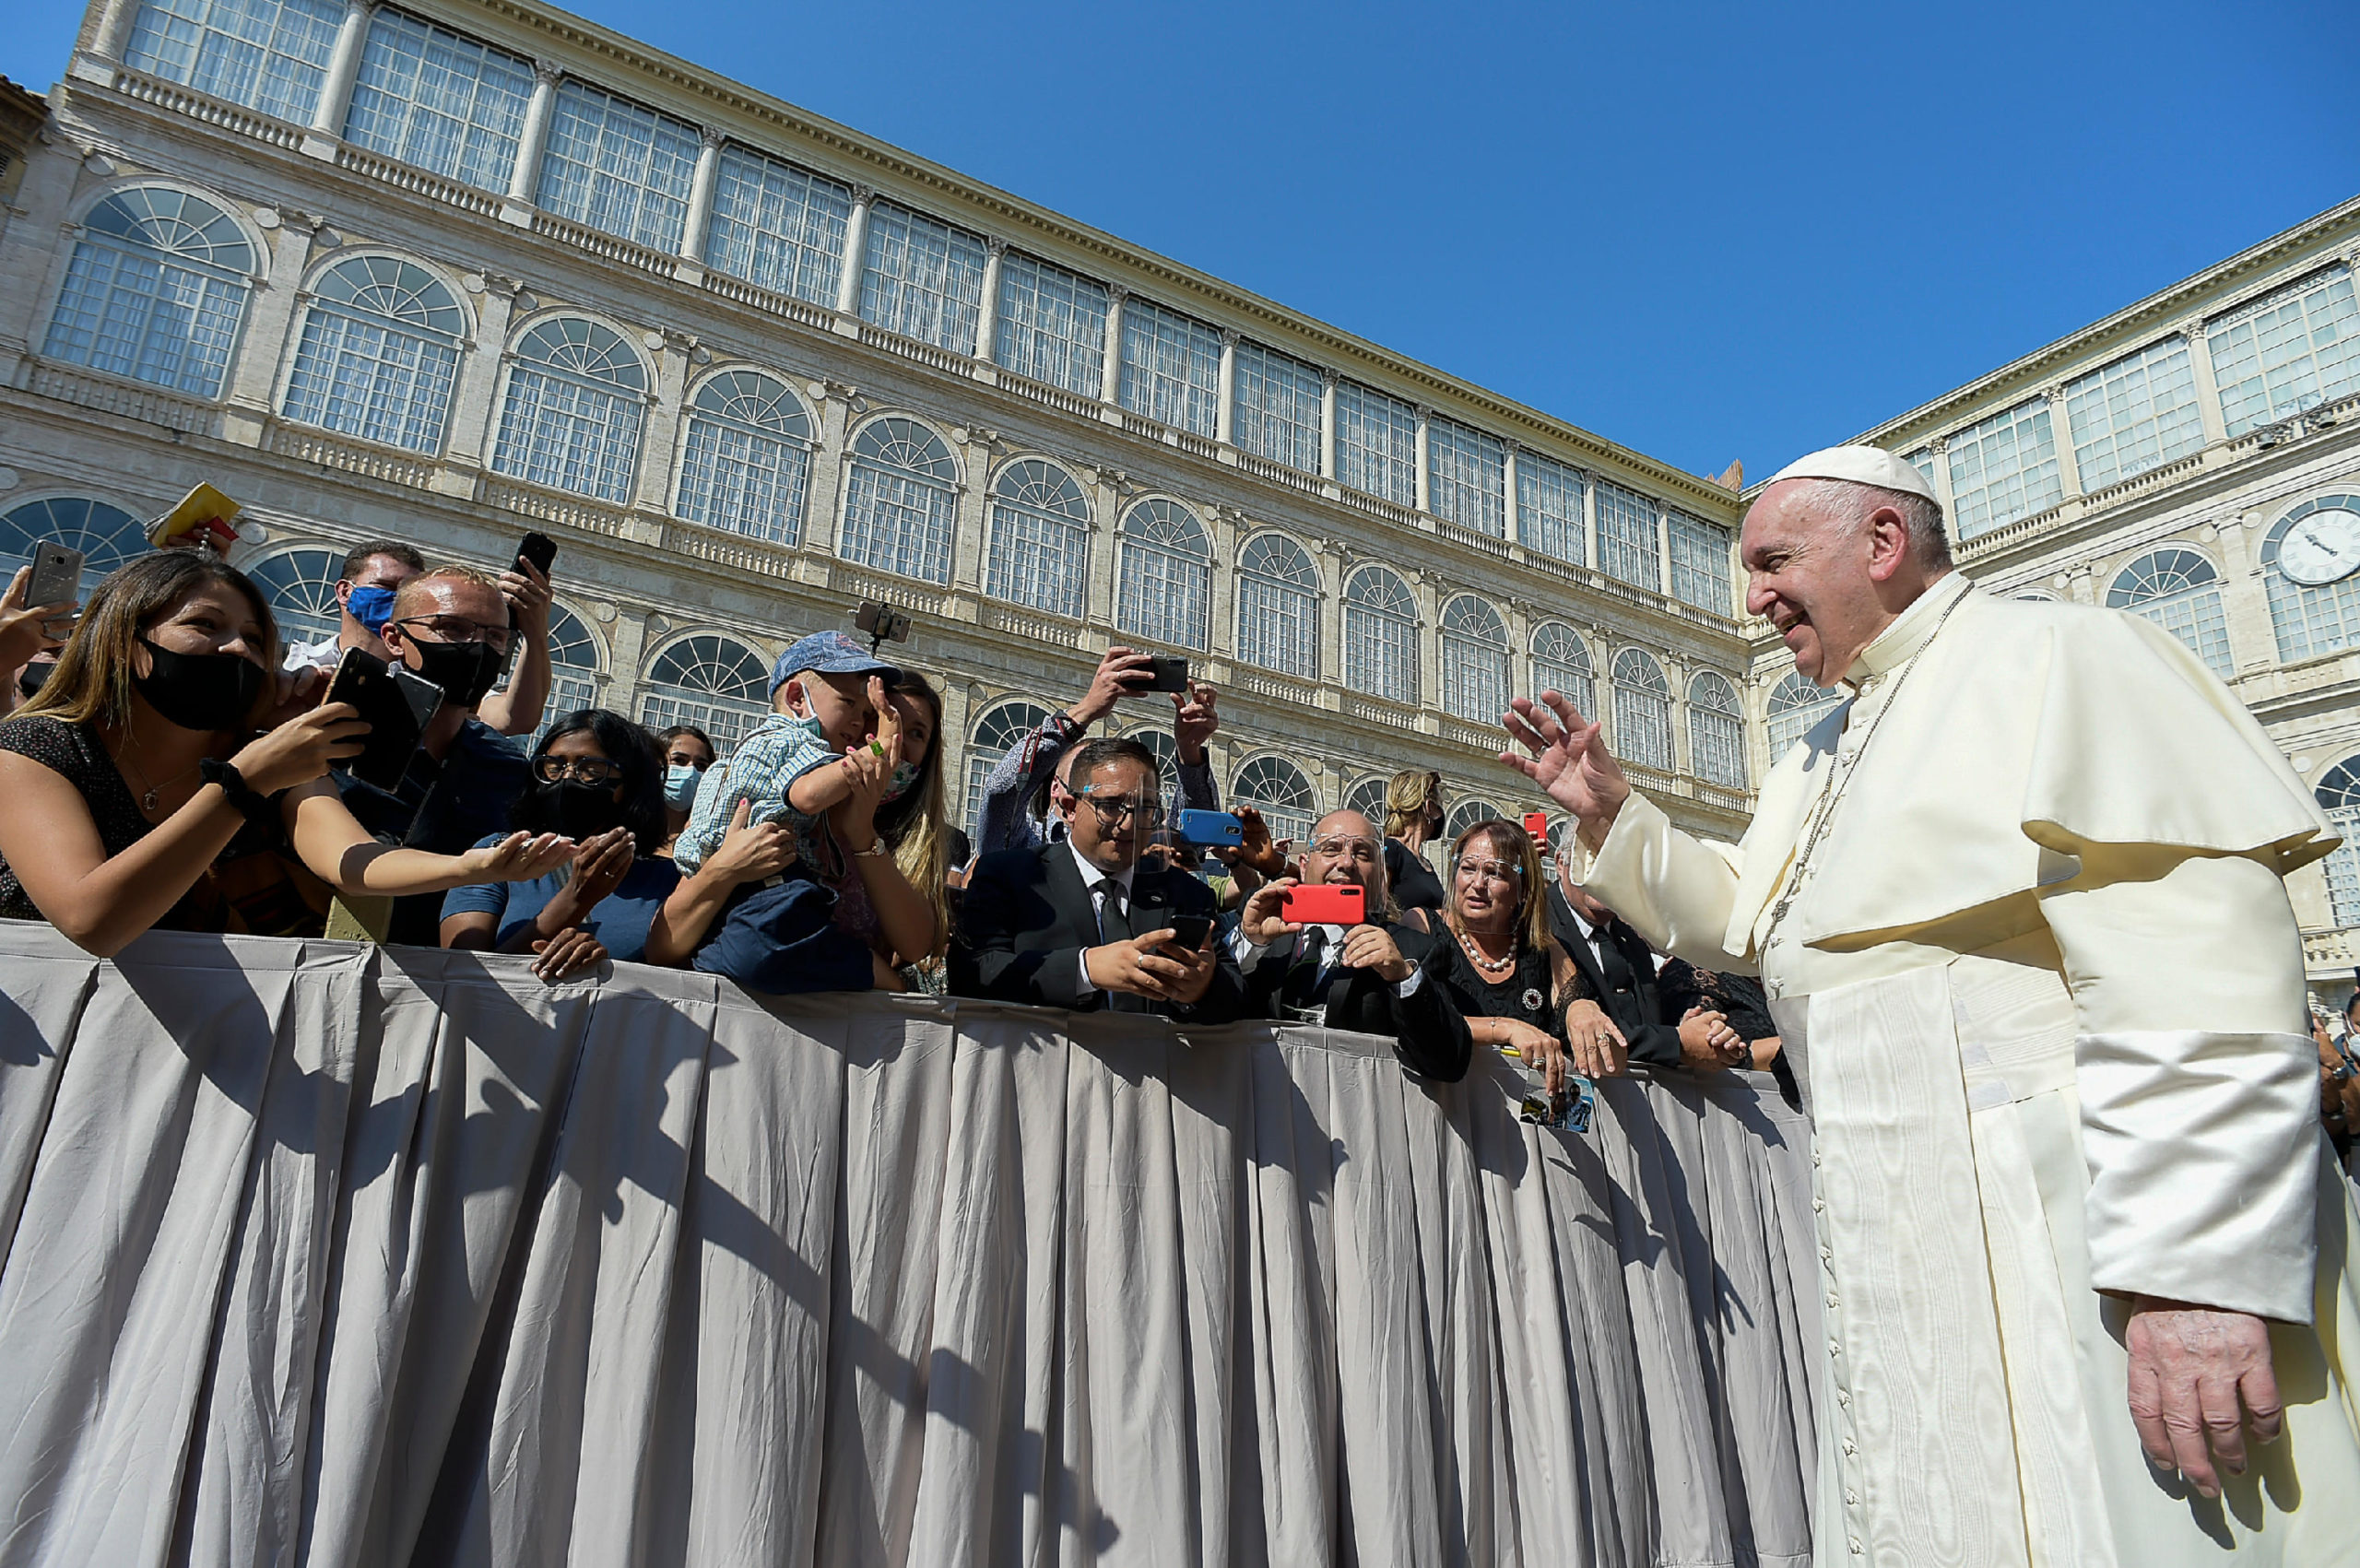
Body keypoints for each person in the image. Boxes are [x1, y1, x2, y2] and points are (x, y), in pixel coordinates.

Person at [1504, 442, 2360, 1561]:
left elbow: (2191, 979)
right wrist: (1612, 813)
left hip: (2075, 1217)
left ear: (1882, 541)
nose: (1754, 599)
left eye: (1772, 562)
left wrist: (2193, 1273)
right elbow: (1746, 922)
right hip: (1897, 1223)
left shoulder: (2063, 657)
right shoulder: (1820, 746)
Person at [0, 552, 570, 956]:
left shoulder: (263, 753)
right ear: (125, 638)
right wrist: (241, 785)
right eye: (205, 625)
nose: (235, 648)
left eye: (253, 637)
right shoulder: (38, 747)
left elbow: (352, 861)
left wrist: (472, 868)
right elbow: (93, 923)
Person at [673, 632, 940, 984]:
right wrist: (723, 870)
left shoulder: (910, 841)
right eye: (877, 715)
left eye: (916, 733)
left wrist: (862, 834)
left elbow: (915, 945)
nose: (897, 739)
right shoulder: (762, 777)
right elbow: (665, 943)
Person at [952, 735, 1244, 1020]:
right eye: (1111, 806)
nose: (1128, 824)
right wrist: (1084, 969)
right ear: (1070, 808)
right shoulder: (1010, 877)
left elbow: (1238, 995)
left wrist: (1203, 988)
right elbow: (972, 973)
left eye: (1145, 809)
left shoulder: (1187, 894)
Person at [338, 565, 537, 946]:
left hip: (450, 968)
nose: (477, 647)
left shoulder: (506, 767)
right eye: (453, 628)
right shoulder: (341, 736)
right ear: (395, 638)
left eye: (495, 636)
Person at [440, 710, 682, 983]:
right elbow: (461, 976)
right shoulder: (499, 854)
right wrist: (575, 900)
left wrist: (608, 974)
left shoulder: (668, 881)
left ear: (630, 785)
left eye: (591, 770)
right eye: (554, 767)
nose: (567, 778)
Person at [1232, 808, 1472, 1081]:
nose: (1346, 862)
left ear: (1380, 876)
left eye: (1362, 854)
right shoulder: (1259, 917)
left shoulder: (1411, 950)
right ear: (1304, 865)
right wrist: (1249, 942)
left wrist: (1403, 978)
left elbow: (1450, 1062)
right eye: (1331, 849)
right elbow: (1207, 1007)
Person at [1426, 817, 1620, 1107]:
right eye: (1467, 868)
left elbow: (1613, 1060)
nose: (1478, 883)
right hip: (1445, 1107)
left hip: (1525, 1121)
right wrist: (1507, 1029)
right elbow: (1419, 1018)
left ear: (1523, 888)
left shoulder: (1543, 949)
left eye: (1495, 873)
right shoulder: (1423, 926)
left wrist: (1583, 1009)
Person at [973, 645, 1221, 853]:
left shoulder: (1138, 853)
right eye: (1108, 802)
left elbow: (1195, 837)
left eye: (1139, 805)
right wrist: (1083, 712)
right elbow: (1001, 794)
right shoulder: (1026, 848)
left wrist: (1190, 754)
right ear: (1059, 791)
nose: (1122, 820)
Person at [1551, 877, 1743, 1077]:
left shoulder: (1630, 938)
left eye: (1614, 867)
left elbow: (1646, 1023)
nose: (1601, 877)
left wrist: (1692, 1031)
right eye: (1589, 866)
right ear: (1561, 864)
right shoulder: (1541, 928)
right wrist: (1677, 1042)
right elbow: (1573, 1034)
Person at [280, 540, 423, 674]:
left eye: (410, 593)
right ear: (345, 592)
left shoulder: (422, 682)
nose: (400, 599)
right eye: (386, 586)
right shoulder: (290, 664)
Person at [1380, 769, 1449, 914]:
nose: (1442, 813)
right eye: (1440, 805)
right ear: (1429, 807)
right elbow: (1379, 906)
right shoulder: (1390, 849)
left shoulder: (1425, 864)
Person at [654, 723, 715, 857]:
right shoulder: (628, 832)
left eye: (701, 766)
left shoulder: (710, 841)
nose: (691, 771)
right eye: (679, 760)